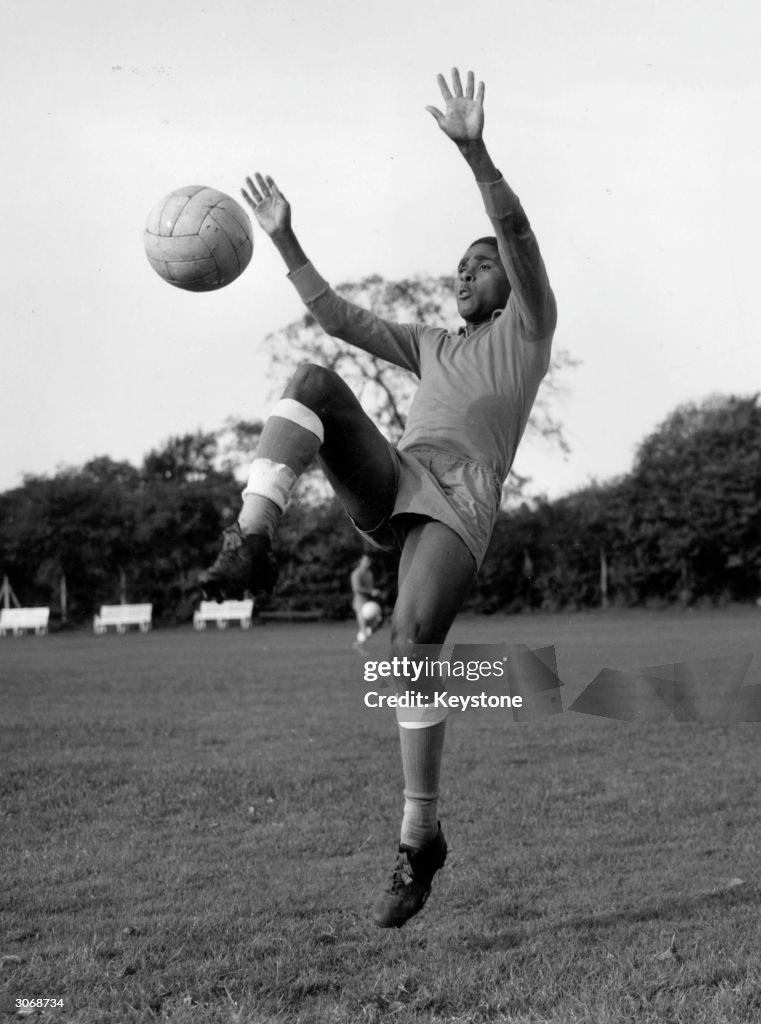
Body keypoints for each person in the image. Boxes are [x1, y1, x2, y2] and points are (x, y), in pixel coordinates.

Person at [200, 68, 557, 927]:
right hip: (400, 473)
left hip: (457, 501)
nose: (466, 272)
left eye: (482, 265)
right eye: (461, 265)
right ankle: (251, 538)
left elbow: (517, 236)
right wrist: (285, 240)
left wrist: (475, 153)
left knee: (410, 643)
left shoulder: (529, 329)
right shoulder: (433, 343)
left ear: (509, 282)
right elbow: (333, 315)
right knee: (315, 377)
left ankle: (418, 837)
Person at [350, 554, 382, 644]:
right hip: (360, 602)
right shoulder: (356, 573)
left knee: (377, 623)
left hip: (370, 602)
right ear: (361, 561)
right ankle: (360, 644)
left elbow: (370, 587)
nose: (368, 563)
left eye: (369, 561)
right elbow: (356, 588)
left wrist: (374, 593)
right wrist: (371, 591)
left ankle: (361, 640)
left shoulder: (369, 573)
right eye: (366, 561)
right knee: (363, 627)